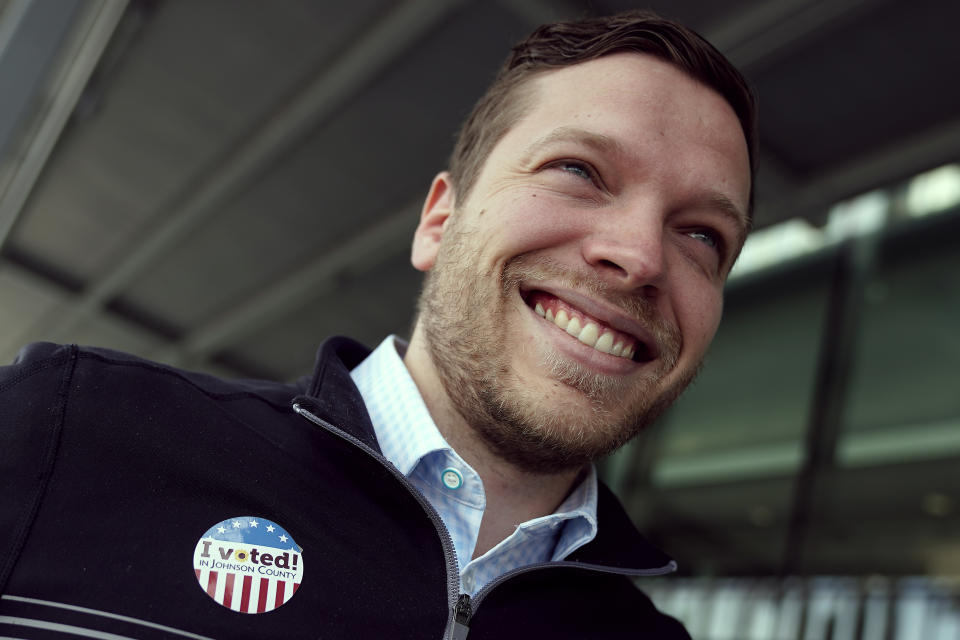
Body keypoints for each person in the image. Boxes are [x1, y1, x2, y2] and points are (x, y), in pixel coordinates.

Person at [0, 9, 754, 640]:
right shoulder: (69, 433)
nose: (639, 256)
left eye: (701, 237)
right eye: (580, 171)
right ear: (439, 220)